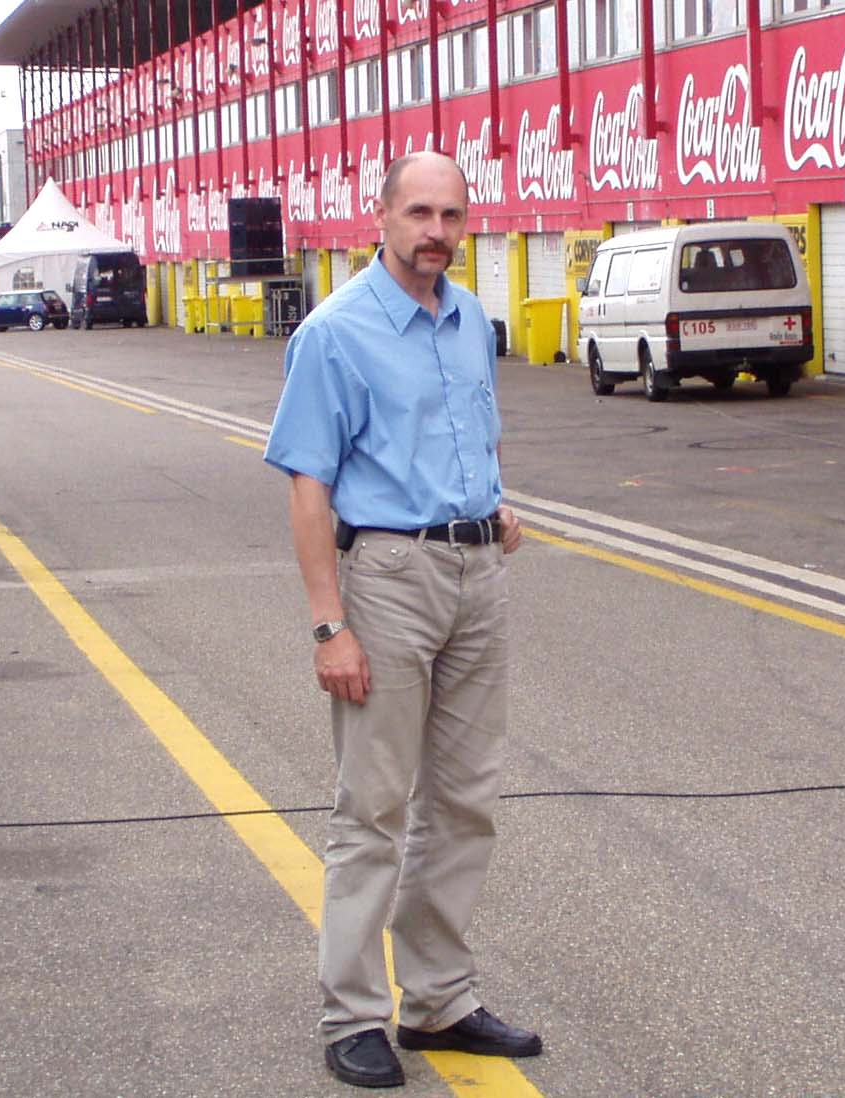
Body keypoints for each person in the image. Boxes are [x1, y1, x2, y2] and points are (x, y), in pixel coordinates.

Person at [264, 150, 539, 1090]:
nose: (437, 231)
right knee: (372, 807)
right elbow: (310, 486)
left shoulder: (469, 321)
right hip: (385, 575)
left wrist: (494, 500)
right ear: (378, 218)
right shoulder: (335, 333)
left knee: (464, 800)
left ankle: (439, 1001)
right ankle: (352, 1016)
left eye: (452, 216)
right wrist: (326, 625)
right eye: (419, 212)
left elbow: (477, 426)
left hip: (476, 571)